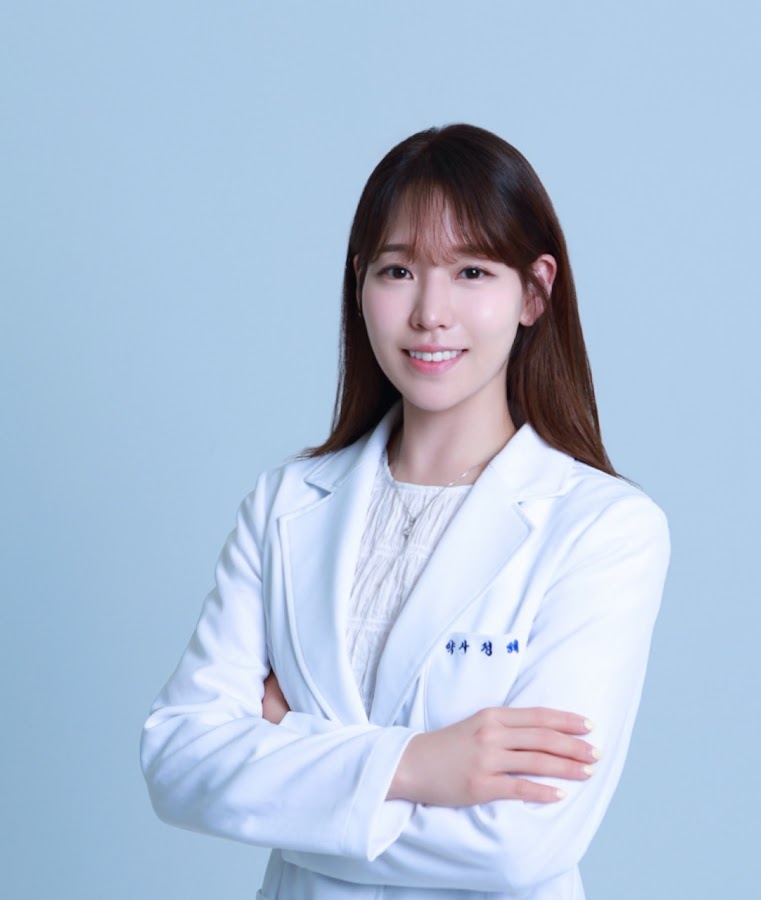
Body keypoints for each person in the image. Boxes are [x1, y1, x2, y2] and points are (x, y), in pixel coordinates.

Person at [141, 123, 670, 899]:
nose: (430, 313)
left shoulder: (603, 528)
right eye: (398, 271)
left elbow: (520, 846)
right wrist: (418, 765)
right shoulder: (284, 504)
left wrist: (287, 745)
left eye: (471, 272)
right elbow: (179, 762)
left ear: (534, 292)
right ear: (360, 285)